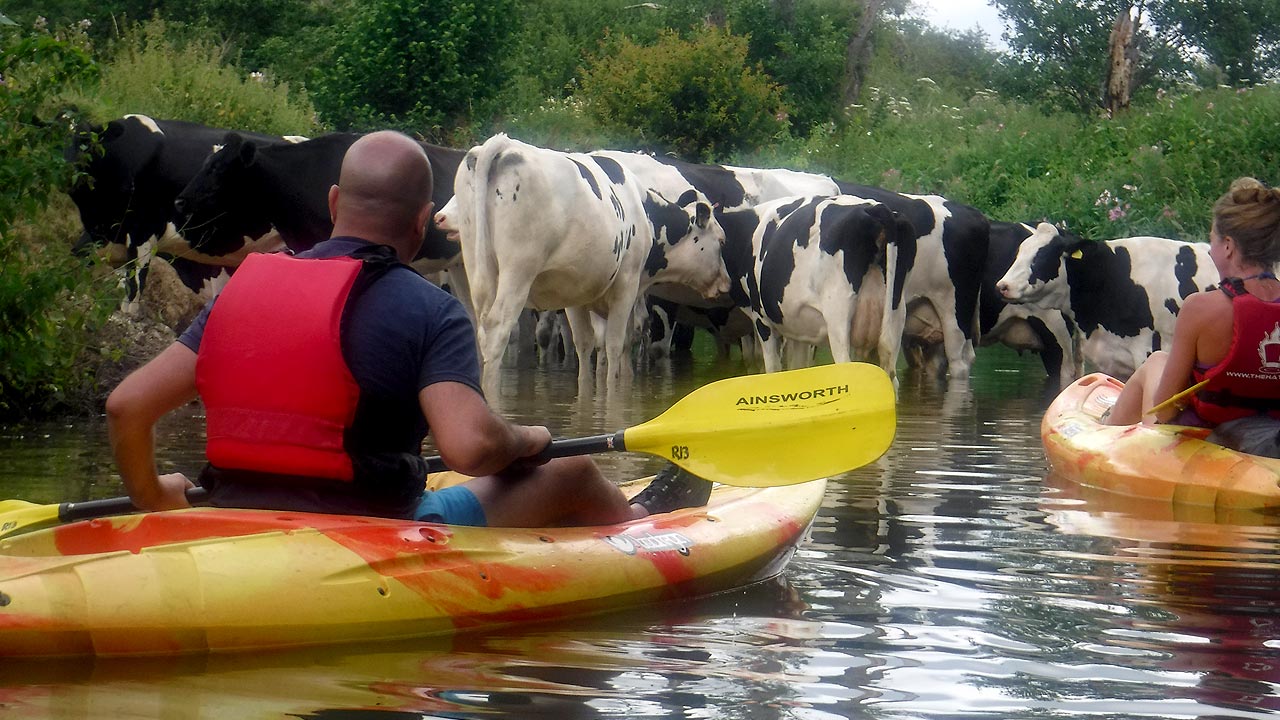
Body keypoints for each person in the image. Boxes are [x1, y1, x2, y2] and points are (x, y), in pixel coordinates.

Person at [106, 130, 710, 526]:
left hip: (234, 513)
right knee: (574, 472)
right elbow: (470, 449)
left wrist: (154, 497)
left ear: (336, 200)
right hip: (373, 529)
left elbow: (127, 407)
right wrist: (528, 439)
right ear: (424, 222)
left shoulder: (243, 289)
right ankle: (640, 526)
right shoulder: (430, 308)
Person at [1105, 177, 1280, 427]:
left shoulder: (1200, 308)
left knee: (1156, 361)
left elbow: (1164, 410)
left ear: (1228, 246)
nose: (1210, 251)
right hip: (1271, 444)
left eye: (1214, 241)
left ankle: (1104, 436)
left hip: (1210, 441)